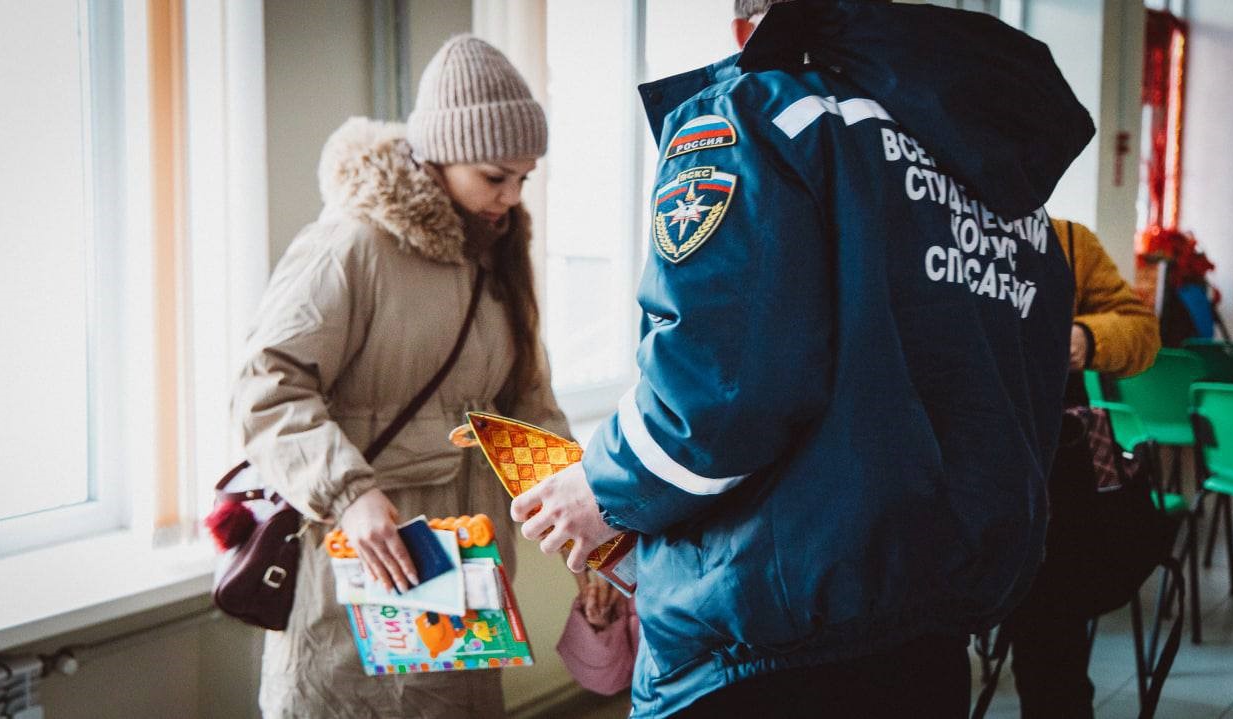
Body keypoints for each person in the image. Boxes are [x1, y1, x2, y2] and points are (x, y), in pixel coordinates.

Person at [511, 0, 1094, 716]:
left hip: (762, 635)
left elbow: (715, 391)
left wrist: (601, 489)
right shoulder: (1004, 185)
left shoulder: (756, 115)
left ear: (745, 27)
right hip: (932, 628)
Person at [232, 34, 569, 719]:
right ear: (439, 155)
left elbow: (528, 406)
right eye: (494, 175)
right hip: (363, 563)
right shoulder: (352, 242)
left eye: (523, 178)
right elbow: (265, 384)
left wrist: (590, 535)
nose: (510, 196)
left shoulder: (498, 251)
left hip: (465, 574)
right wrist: (350, 492)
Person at [1002, 218, 1161, 718]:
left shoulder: (1066, 240)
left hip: (1048, 494)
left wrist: (1086, 338)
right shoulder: (914, 214)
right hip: (934, 480)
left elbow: (1140, 330)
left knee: (1053, 661)